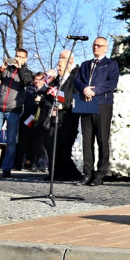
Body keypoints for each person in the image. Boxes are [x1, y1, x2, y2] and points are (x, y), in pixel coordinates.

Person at [72, 37, 119, 186]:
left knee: (102, 140)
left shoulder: (111, 64)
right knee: (87, 140)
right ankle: (88, 173)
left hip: (103, 104)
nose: (96, 48)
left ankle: (100, 174)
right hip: (86, 105)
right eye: (94, 45)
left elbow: (112, 83)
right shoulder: (86, 65)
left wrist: (95, 91)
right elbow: (77, 80)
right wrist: (84, 89)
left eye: (99, 45)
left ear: (106, 48)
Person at [0, 50, 32, 178]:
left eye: (21, 57)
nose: (17, 58)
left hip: (13, 110)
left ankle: (6, 168)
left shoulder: (27, 72)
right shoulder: (6, 70)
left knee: (11, 141)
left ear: (25, 59)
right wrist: (1, 68)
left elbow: (26, 82)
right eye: (16, 56)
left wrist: (20, 68)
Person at [47, 50, 82, 181]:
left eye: (60, 66)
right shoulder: (55, 82)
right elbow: (47, 96)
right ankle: (53, 173)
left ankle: (66, 173)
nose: (58, 69)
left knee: (65, 146)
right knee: (53, 145)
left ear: (67, 67)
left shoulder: (74, 80)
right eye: (57, 66)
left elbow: (76, 97)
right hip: (54, 117)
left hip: (67, 118)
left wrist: (64, 105)